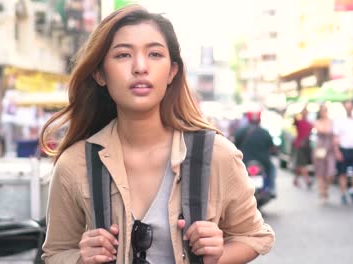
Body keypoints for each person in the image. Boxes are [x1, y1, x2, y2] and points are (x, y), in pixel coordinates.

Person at [40, 5, 274, 264]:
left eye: (154, 54)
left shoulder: (217, 155)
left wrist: (217, 255)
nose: (140, 67)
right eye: (123, 55)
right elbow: (55, 252)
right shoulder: (75, 164)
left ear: (172, 71)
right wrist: (82, 259)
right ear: (100, 74)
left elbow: (254, 236)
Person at [234, 111, 277, 198]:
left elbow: (235, 146)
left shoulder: (240, 131)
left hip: (244, 161)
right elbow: (272, 147)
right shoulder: (265, 132)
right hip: (263, 162)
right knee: (272, 169)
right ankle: (271, 188)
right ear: (259, 120)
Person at [334, 100, 353, 205]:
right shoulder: (339, 121)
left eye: (350, 107)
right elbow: (336, 137)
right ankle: (343, 193)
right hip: (344, 149)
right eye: (347, 107)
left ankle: (352, 191)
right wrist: (337, 151)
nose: (349, 109)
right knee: (342, 173)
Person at [312, 105, 336, 205]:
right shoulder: (317, 122)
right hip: (320, 149)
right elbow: (323, 130)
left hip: (330, 149)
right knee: (320, 173)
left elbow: (335, 134)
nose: (324, 112)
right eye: (323, 111)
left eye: (326, 110)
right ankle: (322, 193)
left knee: (330, 173)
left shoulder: (332, 121)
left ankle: (326, 188)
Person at [293, 106, 313, 188]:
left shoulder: (309, 124)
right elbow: (294, 120)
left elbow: (309, 134)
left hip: (306, 146)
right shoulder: (299, 122)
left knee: (299, 165)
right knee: (302, 164)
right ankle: (307, 180)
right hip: (299, 146)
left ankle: (295, 179)